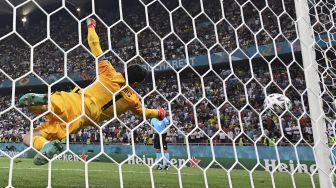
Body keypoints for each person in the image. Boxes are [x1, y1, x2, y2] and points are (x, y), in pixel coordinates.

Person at [19, 18, 166, 165]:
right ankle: (45, 146)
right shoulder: (133, 100)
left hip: (78, 100)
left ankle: (41, 101)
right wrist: (158, 113)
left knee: (52, 105)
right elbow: (144, 113)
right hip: (83, 119)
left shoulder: (109, 72)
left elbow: (95, 46)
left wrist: (91, 27)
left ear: (124, 70)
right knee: (30, 136)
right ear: (135, 83)